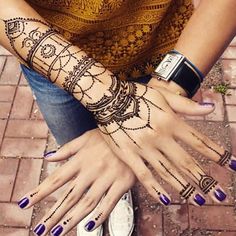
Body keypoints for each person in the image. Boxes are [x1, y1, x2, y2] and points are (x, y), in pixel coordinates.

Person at [0, 0, 236, 236]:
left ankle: (112, 184)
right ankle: (96, 183)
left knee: (123, 147)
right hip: (47, 59)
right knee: (73, 142)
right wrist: (111, 99)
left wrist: (154, 101)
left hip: (155, 48)